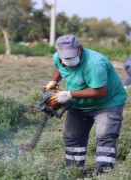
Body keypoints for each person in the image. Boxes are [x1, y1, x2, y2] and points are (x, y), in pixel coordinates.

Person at [44, 35, 127, 175]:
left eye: (71, 57)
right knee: (71, 135)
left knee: (105, 135)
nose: (68, 61)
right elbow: (59, 67)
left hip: (107, 102)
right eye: (65, 59)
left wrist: (69, 94)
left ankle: (103, 173)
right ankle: (75, 171)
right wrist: (53, 82)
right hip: (79, 102)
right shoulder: (58, 58)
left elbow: (99, 91)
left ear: (80, 49)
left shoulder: (95, 64)